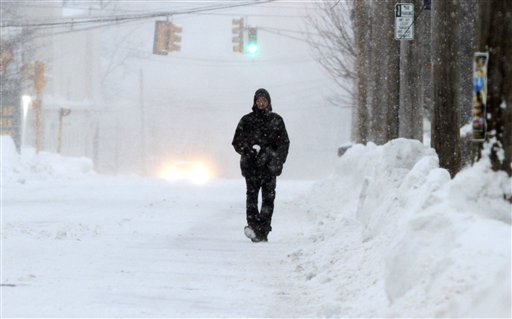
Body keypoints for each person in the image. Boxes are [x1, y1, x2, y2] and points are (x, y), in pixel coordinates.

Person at [232, 88, 290, 242]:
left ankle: (263, 229)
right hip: (251, 167)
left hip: (269, 167)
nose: (261, 103)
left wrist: (278, 161)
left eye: (264, 100)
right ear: (254, 102)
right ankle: (253, 226)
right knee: (251, 197)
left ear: (269, 102)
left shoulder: (276, 120)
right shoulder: (246, 120)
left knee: (268, 199)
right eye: (259, 100)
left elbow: (284, 143)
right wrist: (248, 151)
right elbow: (236, 142)